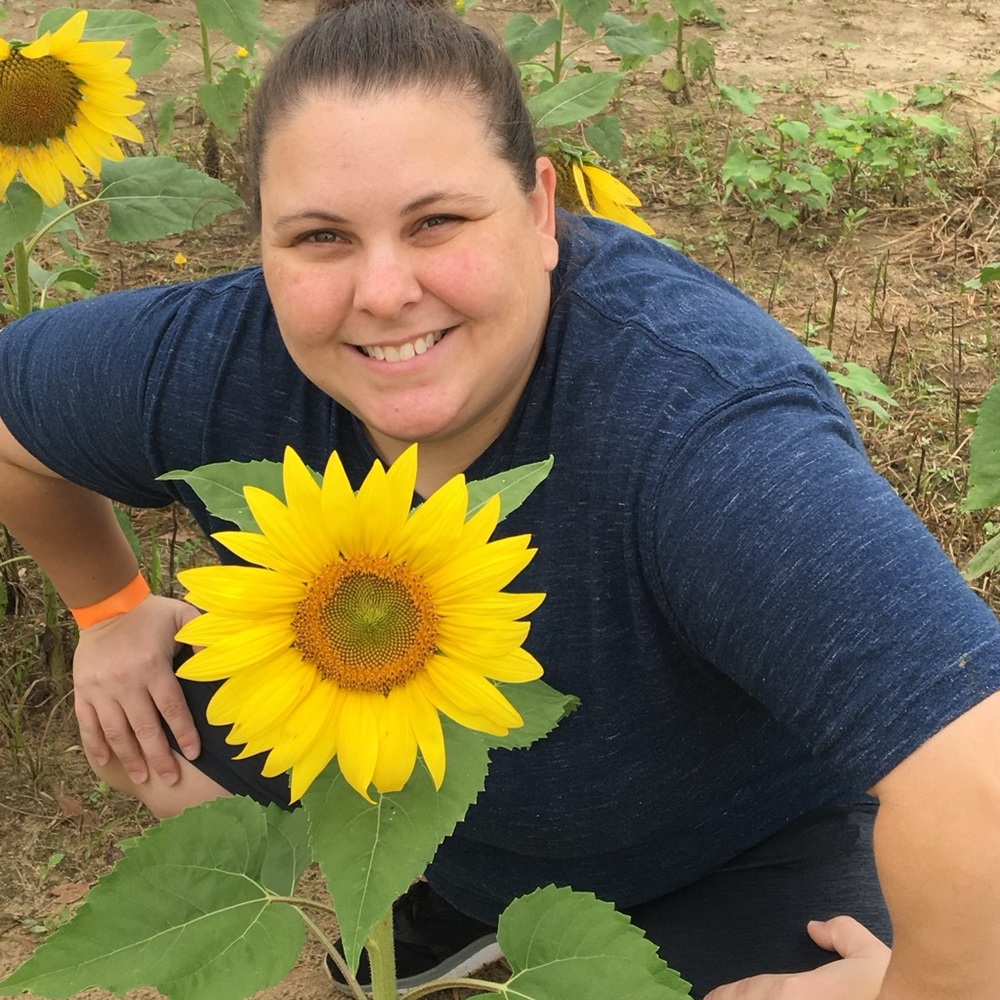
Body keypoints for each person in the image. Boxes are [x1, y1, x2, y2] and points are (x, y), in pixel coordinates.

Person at [1, 0, 1000, 996]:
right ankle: (415, 901)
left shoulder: (689, 427)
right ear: (260, 244)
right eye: (319, 237)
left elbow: (977, 783)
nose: (384, 290)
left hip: (736, 854)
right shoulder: (217, 359)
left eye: (437, 221)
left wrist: (902, 992)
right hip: (422, 792)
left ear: (538, 211)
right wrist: (109, 608)